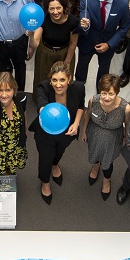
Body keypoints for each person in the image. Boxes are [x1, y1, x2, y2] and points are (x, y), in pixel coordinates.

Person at [31, 61, 86, 204]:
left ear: (69, 78)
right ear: (50, 80)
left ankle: (55, 165)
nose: (58, 84)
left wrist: (76, 123)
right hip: (46, 130)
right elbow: (41, 104)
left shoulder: (79, 88)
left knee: (60, 151)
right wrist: (44, 111)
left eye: (62, 79)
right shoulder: (43, 87)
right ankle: (45, 182)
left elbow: (80, 106)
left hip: (68, 130)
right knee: (45, 157)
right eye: (54, 80)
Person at [81, 74, 130, 200]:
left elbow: (128, 125)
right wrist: (84, 131)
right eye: (104, 93)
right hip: (94, 134)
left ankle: (106, 180)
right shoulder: (94, 100)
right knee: (95, 154)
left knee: (108, 161)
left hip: (113, 138)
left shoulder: (126, 108)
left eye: (111, 94)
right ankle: (95, 166)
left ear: (117, 92)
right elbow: (87, 114)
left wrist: (126, 139)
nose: (106, 98)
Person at [76, 0, 130, 86]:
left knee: (103, 74)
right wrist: (85, 26)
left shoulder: (123, 4)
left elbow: (124, 27)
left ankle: (99, 97)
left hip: (107, 45)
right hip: (87, 42)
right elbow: (84, 16)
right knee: (81, 71)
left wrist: (109, 44)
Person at [31, 0, 80, 85]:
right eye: (51, 9)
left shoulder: (72, 21)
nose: (55, 12)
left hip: (65, 54)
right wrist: (30, 36)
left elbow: (73, 44)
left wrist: (67, 62)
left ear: (64, 7)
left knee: (62, 82)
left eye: (58, 8)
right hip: (45, 54)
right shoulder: (43, 18)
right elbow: (35, 43)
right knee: (43, 81)